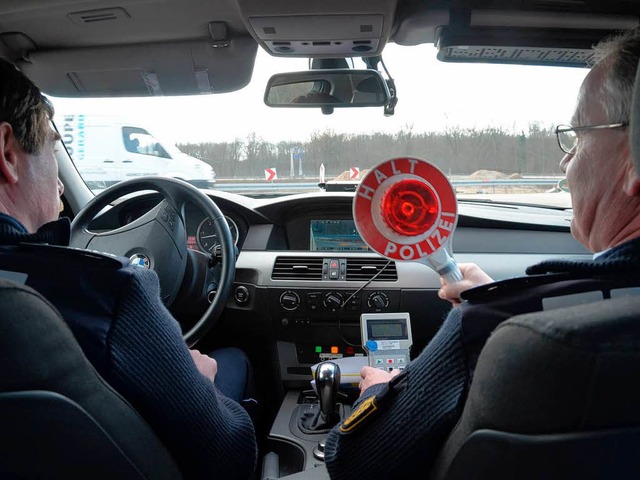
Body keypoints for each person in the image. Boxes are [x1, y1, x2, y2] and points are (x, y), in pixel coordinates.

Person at [324, 27, 640, 479]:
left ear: (636, 159)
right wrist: (507, 307)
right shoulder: (515, 318)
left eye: (577, 136)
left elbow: (354, 464)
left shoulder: (500, 325)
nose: (565, 163)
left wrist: (379, 391)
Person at [0, 59, 257, 479]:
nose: (62, 185)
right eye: (51, 148)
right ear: (8, 154)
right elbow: (227, 455)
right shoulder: (110, 290)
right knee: (230, 361)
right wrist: (200, 383)